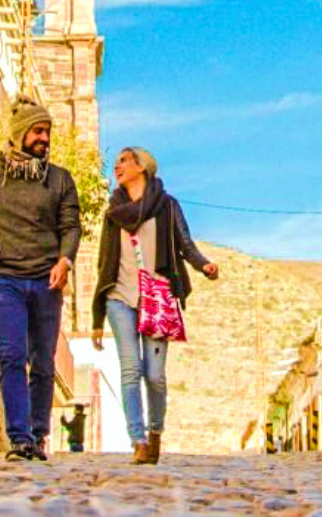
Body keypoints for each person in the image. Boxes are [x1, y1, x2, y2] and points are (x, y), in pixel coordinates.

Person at [0, 97, 82, 462]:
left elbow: (71, 226)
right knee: (12, 356)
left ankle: (38, 434)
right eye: (37, 131)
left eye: (47, 131)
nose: (44, 138)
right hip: (4, 281)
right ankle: (19, 438)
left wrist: (65, 260)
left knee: (43, 362)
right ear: (18, 134)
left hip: (47, 280)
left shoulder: (60, 179)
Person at [91, 146, 218, 465]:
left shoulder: (167, 206)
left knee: (154, 374)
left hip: (157, 299)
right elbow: (104, 263)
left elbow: (185, 244)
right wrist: (96, 317)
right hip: (119, 298)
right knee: (130, 369)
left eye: (124, 160)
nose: (117, 166)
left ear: (142, 167)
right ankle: (138, 441)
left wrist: (204, 265)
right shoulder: (113, 212)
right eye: (116, 162)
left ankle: (156, 431)